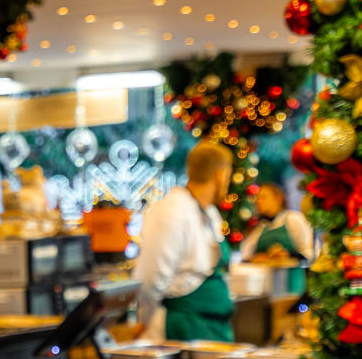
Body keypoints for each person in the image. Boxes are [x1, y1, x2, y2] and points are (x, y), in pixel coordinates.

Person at [133, 141, 235, 343]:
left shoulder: (211, 213)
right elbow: (149, 279)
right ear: (221, 174)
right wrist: (145, 320)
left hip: (214, 327)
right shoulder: (171, 210)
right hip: (185, 329)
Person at [237, 180, 313, 294]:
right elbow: (244, 256)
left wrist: (287, 255)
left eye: (264, 197)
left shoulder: (293, 219)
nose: (258, 201)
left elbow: (309, 254)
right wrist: (258, 258)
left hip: (293, 285)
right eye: (257, 198)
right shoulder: (259, 227)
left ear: (278, 198)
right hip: (266, 289)